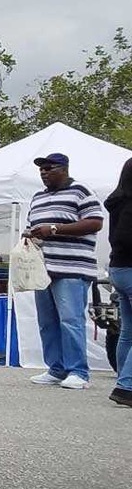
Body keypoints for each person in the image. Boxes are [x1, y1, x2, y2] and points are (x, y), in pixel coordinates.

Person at [24, 152, 105, 391]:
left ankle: (78, 371)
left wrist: (55, 229)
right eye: (41, 169)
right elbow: (35, 225)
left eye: (49, 168)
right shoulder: (38, 197)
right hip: (43, 268)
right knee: (47, 322)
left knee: (70, 321)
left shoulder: (81, 191)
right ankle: (56, 368)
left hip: (72, 267)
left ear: (64, 169)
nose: (44, 172)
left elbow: (95, 222)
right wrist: (31, 235)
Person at [105, 156, 132, 407]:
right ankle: (126, 385)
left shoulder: (117, 202)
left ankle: (123, 379)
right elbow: (126, 238)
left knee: (127, 332)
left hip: (118, 268)